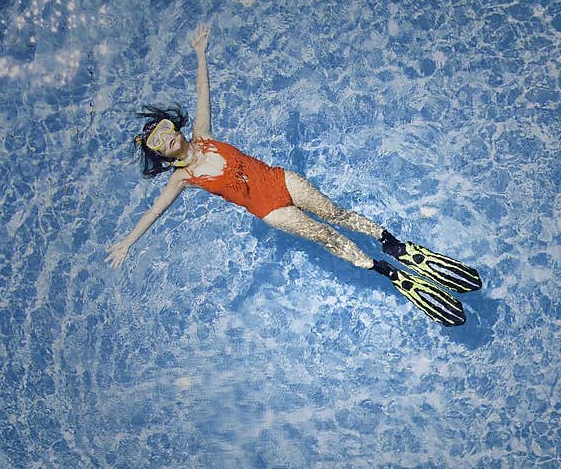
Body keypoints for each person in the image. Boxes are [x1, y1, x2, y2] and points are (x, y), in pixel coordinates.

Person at [106, 25, 481, 326]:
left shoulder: (203, 135)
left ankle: (391, 243)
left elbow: (203, 92)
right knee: (324, 235)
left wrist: (200, 54)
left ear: (176, 126)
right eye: (158, 141)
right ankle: (382, 269)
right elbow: (155, 212)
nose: (168, 136)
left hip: (279, 179)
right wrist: (127, 241)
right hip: (267, 208)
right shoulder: (181, 179)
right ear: (159, 154)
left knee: (334, 213)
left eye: (166, 128)